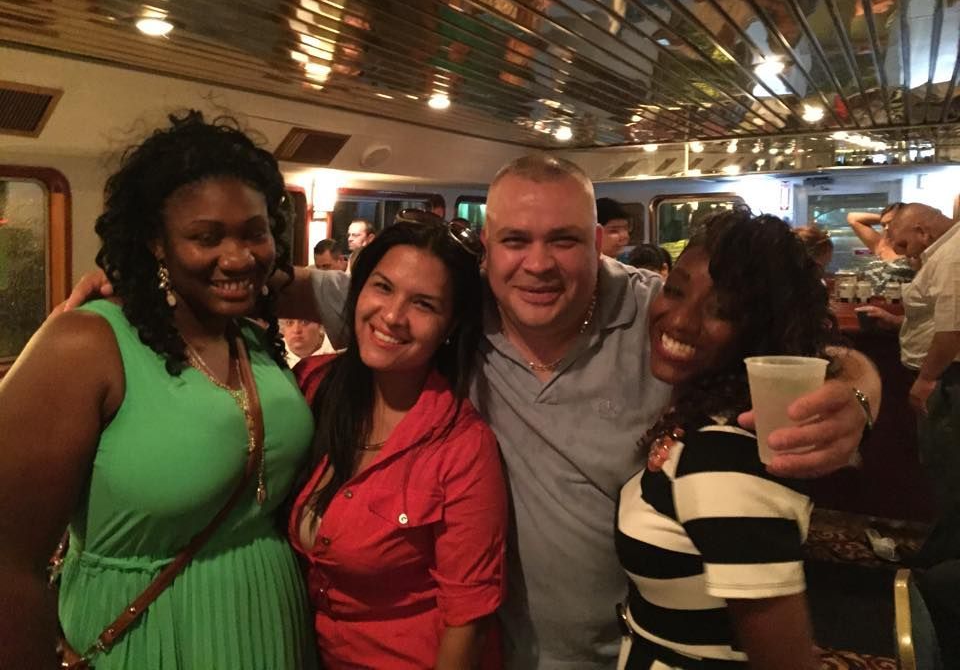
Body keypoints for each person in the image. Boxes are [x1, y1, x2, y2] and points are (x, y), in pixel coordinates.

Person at [63, 155, 880, 670]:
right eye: (513, 240)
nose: (537, 264)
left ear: (597, 241)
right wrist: (135, 285)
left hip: (626, 647)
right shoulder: (446, 308)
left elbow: (774, 337)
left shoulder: (657, 312)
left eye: (562, 240)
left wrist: (859, 390)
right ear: (485, 249)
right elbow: (277, 280)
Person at [0, 112, 318, 669]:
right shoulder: (88, 343)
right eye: (205, 237)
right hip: (151, 637)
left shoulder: (251, 337)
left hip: (270, 626)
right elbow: (8, 560)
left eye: (255, 232)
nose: (239, 256)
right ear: (155, 243)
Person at [616, 210, 839, 669]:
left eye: (722, 310)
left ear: (759, 332)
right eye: (675, 290)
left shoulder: (725, 458)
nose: (680, 320)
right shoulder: (699, 420)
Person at [289, 215, 507, 669]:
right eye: (382, 287)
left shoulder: (462, 446)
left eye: (424, 304)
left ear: (449, 325)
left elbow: (467, 618)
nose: (392, 316)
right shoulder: (313, 387)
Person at [864, 203, 960, 566]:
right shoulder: (945, 252)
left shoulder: (952, 256)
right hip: (946, 377)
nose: (904, 254)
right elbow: (938, 315)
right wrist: (896, 322)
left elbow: (952, 333)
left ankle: (939, 570)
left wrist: (926, 379)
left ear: (923, 231)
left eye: (903, 245)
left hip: (949, 380)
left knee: (949, 473)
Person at [847, 203, 916, 293]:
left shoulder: (916, 247)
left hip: (898, 304)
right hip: (869, 302)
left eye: (891, 223)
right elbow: (853, 218)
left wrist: (902, 219)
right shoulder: (881, 243)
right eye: (884, 225)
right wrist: (886, 218)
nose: (886, 228)